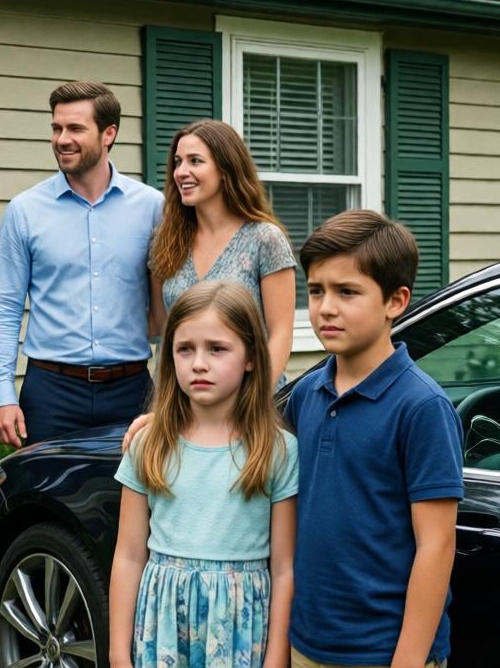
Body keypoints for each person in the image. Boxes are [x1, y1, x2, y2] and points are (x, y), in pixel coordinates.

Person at [124, 210, 463, 668]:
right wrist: (162, 417)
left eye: (347, 292)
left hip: (383, 650)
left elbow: (436, 548)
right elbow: (234, 419)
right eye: (317, 290)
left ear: (395, 301)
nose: (326, 308)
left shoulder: (421, 408)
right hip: (305, 642)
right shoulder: (308, 393)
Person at [109, 280, 298, 668]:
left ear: (250, 357)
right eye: (184, 349)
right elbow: (128, 556)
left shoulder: (277, 451)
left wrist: (277, 657)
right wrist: (117, 653)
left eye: (217, 349)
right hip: (163, 629)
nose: (198, 363)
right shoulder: (149, 444)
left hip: (240, 633)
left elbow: (284, 569)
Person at [0, 80, 163, 446]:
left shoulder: (152, 208)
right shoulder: (24, 211)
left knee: (139, 500)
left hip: (132, 392)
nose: (62, 139)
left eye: (75, 128)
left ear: (108, 133)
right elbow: (4, 307)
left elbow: (172, 303)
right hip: (51, 392)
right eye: (56, 128)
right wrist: (2, 394)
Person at [149, 120, 296, 384]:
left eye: (195, 161)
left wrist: (254, 401)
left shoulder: (264, 239)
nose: (181, 172)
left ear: (226, 169)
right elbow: (163, 328)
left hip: (248, 403)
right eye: (178, 161)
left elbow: (280, 334)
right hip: (181, 401)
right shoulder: (167, 240)